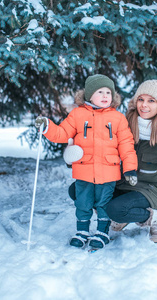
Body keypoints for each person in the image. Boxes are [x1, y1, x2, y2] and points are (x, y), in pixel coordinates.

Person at [66, 79, 157, 243]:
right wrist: (73, 156)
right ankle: (120, 216)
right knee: (78, 190)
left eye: (151, 101)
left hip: (149, 190)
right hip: (122, 184)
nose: (144, 105)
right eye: (141, 99)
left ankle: (154, 217)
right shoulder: (124, 125)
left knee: (115, 209)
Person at [35, 74, 138, 249]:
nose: (105, 96)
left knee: (103, 203)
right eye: (100, 92)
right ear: (89, 95)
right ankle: (82, 231)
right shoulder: (78, 114)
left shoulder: (118, 118)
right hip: (84, 169)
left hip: (108, 170)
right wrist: (47, 126)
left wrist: (129, 169)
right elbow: (62, 134)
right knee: (83, 202)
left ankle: (102, 232)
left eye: (108, 92)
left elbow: (126, 145)